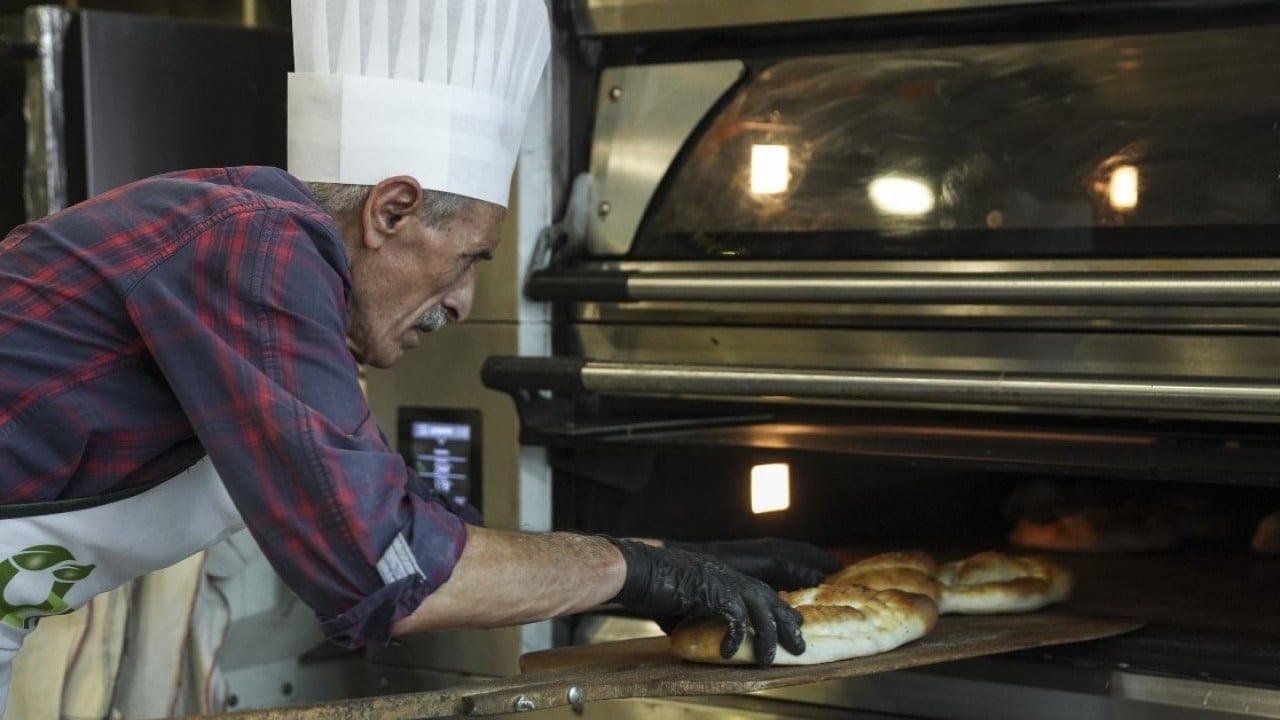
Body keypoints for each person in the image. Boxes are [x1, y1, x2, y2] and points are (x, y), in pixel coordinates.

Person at [0, 0, 839, 713]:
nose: (464, 302)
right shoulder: (255, 244)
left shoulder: (266, 276)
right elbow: (384, 567)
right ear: (393, 210)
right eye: (470, 258)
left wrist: (670, 557)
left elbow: (417, 526)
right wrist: (642, 574)